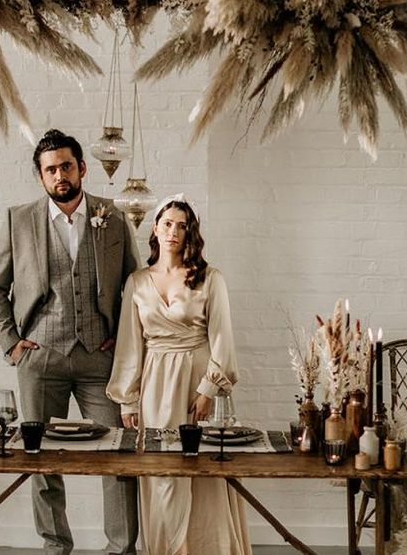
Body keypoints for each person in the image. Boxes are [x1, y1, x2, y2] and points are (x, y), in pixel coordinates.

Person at [0, 129, 139, 555]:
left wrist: (122, 341)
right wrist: (12, 342)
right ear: (41, 176)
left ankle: (122, 548)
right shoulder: (19, 219)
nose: (60, 175)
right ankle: (56, 545)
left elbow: (135, 286)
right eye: (50, 169)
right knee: (42, 461)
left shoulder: (113, 216)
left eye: (66, 166)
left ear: (82, 168)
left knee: (118, 454)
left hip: (98, 359)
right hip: (41, 357)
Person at [106, 196, 251, 555]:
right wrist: (128, 397)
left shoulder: (209, 278)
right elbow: (129, 344)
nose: (173, 231)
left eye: (182, 225)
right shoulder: (137, 282)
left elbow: (222, 339)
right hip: (156, 385)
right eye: (167, 223)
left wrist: (207, 391)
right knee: (162, 473)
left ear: (190, 233)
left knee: (203, 471)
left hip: (196, 381)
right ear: (155, 228)